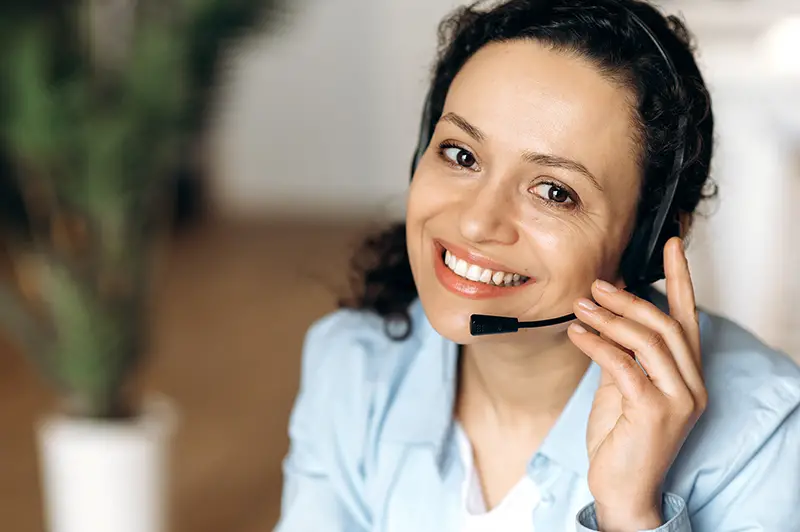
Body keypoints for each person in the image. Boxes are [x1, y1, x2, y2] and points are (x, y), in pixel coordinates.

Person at [275, 1, 800, 530]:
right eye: (461, 155)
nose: (478, 222)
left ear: (650, 241)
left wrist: (629, 512)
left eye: (554, 192)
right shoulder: (351, 367)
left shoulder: (762, 433)